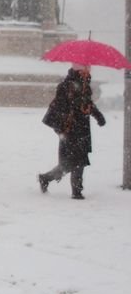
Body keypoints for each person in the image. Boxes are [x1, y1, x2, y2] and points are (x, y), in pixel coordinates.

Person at [38, 64, 106, 200]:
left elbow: (88, 104)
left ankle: (48, 179)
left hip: (82, 129)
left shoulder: (85, 86)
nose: (89, 71)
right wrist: (77, 107)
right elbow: (60, 107)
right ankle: (74, 191)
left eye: (89, 69)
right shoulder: (66, 85)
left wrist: (98, 116)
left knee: (77, 161)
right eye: (86, 68)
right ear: (79, 70)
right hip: (69, 129)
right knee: (71, 163)